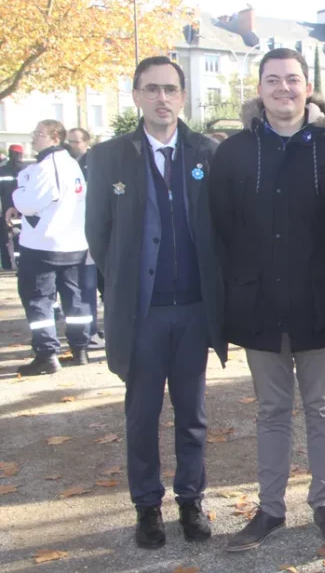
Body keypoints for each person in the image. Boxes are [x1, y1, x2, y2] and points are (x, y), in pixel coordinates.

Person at [209, 47, 325, 552]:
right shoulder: (233, 152)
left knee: (324, 408)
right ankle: (270, 508)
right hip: (259, 305)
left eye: (292, 79)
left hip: (322, 301)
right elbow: (222, 230)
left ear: (307, 86)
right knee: (271, 411)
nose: (283, 88)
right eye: (272, 80)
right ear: (259, 89)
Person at [85, 56, 225, 549]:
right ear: (136, 96)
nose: (162, 98)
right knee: (142, 415)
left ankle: (191, 500)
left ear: (183, 96)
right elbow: (98, 234)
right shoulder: (108, 158)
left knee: (193, 415)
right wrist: (124, 287)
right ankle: (147, 507)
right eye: (152, 89)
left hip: (193, 311)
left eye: (170, 89)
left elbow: (221, 229)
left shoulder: (207, 152)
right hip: (142, 314)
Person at [11, 121, 91, 375]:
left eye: (39, 134)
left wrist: (18, 192)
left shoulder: (47, 166)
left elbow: (28, 203)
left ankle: (46, 353)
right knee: (75, 299)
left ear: (55, 138)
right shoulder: (70, 163)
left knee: (38, 299)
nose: (34, 138)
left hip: (44, 244)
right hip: (73, 243)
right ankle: (80, 348)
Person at [68, 127, 99, 345]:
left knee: (92, 285)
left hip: (92, 231)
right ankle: (88, 332)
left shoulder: (94, 162)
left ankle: (93, 331)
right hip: (74, 233)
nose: (72, 145)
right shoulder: (66, 163)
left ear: (86, 142)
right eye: (69, 141)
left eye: (76, 141)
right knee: (81, 285)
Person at [0, 145, 26, 270]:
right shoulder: (27, 170)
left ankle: (9, 266)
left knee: (7, 239)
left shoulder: (2, 170)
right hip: (23, 210)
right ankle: (20, 264)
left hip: (9, 211)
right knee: (21, 238)